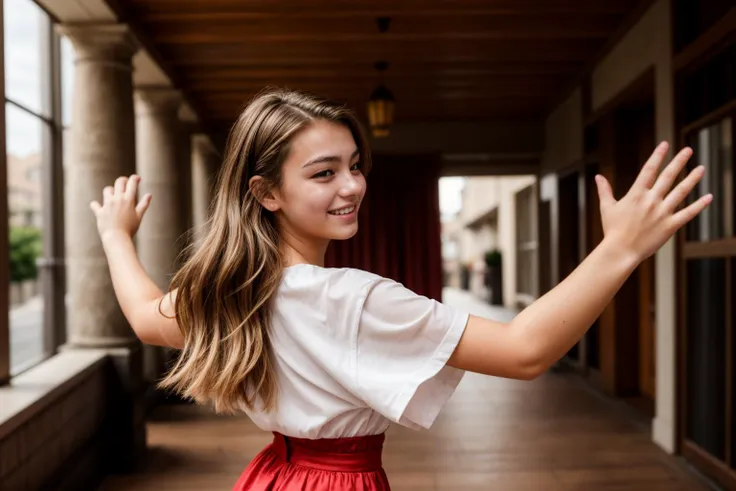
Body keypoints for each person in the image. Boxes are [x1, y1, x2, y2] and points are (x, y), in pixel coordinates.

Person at [90, 88, 712, 491]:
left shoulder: (231, 289)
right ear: (265, 193)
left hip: (272, 480)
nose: (353, 185)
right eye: (324, 172)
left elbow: (148, 318)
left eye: (355, 165)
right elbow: (526, 351)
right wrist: (621, 248)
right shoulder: (348, 298)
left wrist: (118, 236)